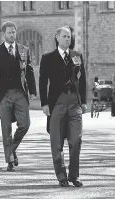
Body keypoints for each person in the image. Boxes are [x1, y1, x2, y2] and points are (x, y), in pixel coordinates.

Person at [39, 26, 87, 187]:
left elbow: (83, 80)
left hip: (74, 102)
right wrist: (44, 103)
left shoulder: (77, 56)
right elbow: (42, 81)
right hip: (56, 103)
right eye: (65, 36)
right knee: (57, 142)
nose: (68, 39)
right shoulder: (48, 58)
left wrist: (84, 101)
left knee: (76, 140)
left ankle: (74, 176)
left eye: (70, 37)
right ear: (57, 37)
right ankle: (61, 176)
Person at [0, 21, 37, 172]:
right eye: (9, 33)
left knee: (25, 124)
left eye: (13, 32)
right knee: (6, 128)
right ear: (3, 34)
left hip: (20, 93)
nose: (12, 35)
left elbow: (29, 71)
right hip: (3, 94)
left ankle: (10, 151)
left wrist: (33, 91)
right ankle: (10, 161)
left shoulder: (24, 50)